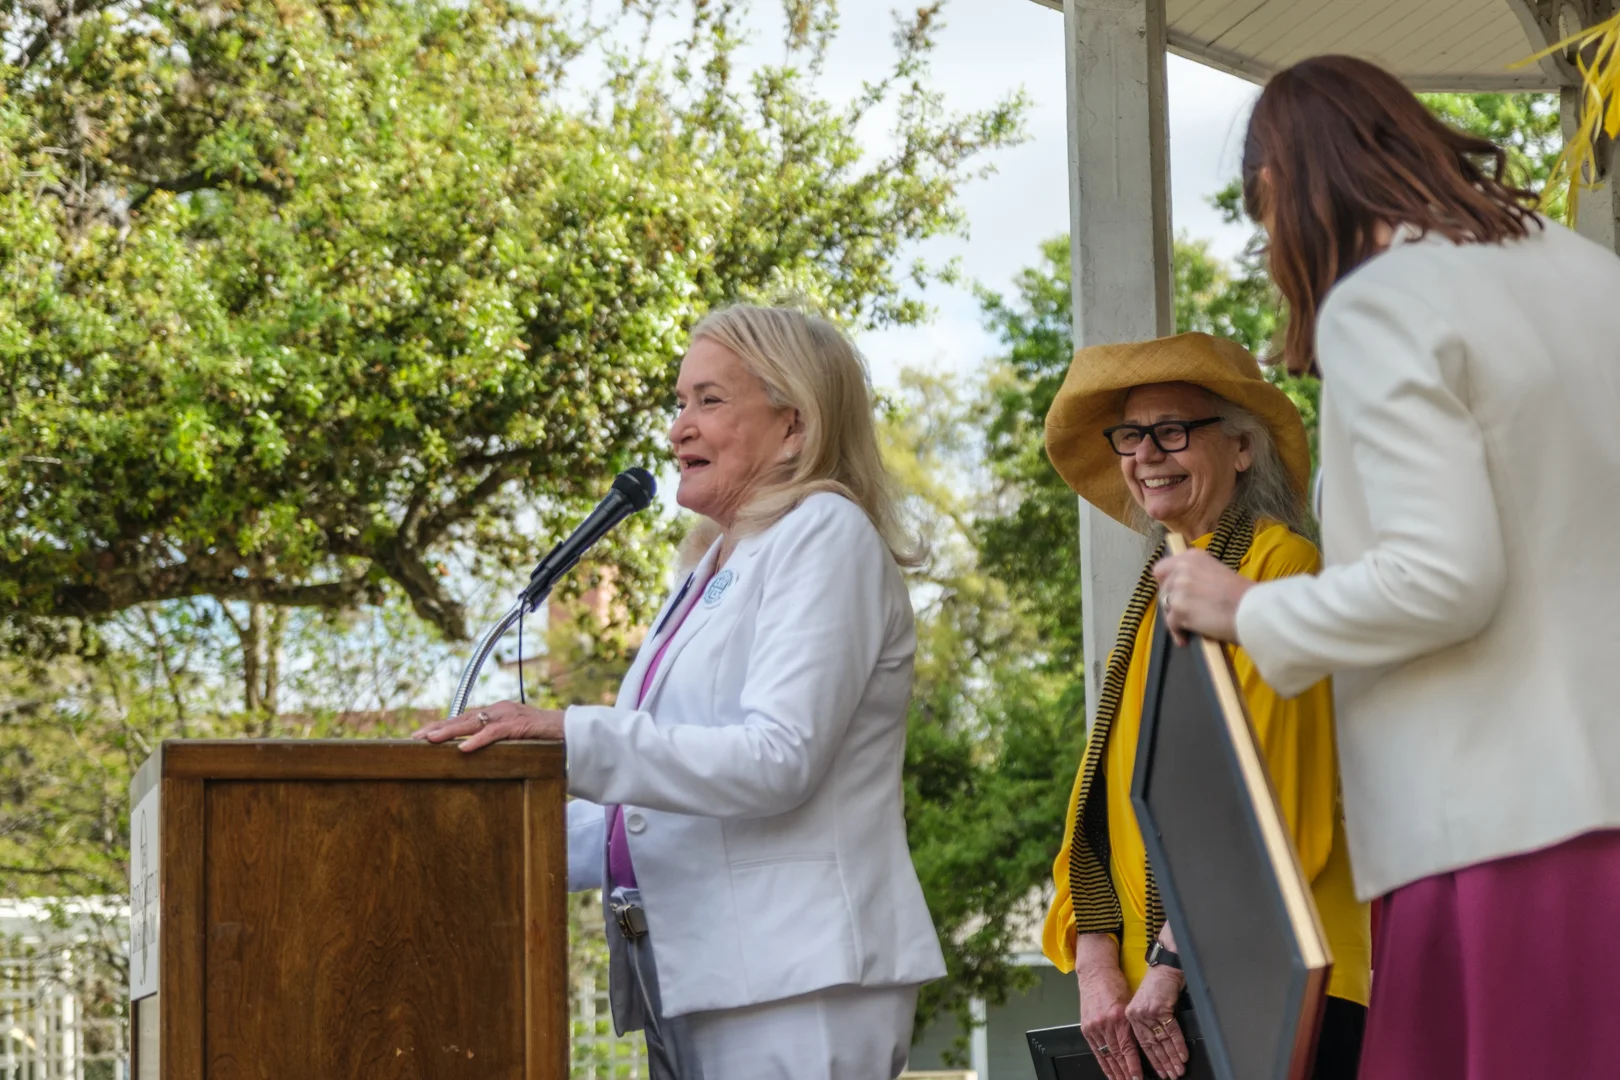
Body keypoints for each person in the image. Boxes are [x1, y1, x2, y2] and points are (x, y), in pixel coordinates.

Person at [1152, 56, 1620, 1080]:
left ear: (1281, 186)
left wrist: (1246, 610)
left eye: (1258, 213)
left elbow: (1443, 577)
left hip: (1505, 830)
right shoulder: (1587, 273)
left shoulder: (1383, 300)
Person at [414, 305, 946, 1080]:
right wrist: (488, 835)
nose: (677, 429)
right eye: (679, 402)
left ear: (794, 425)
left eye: (710, 400)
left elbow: (777, 759)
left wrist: (568, 734)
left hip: (796, 980)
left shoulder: (824, 534)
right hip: (693, 973)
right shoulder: (711, 566)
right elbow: (649, 813)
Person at [1040, 332, 1370, 1080]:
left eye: (1174, 430)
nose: (1146, 454)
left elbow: (1269, 790)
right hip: (1162, 989)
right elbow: (1106, 798)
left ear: (1243, 449)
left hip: (1275, 973)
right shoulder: (1158, 593)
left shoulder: (1279, 565)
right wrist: (1096, 960)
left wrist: (1171, 959)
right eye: (1130, 434)